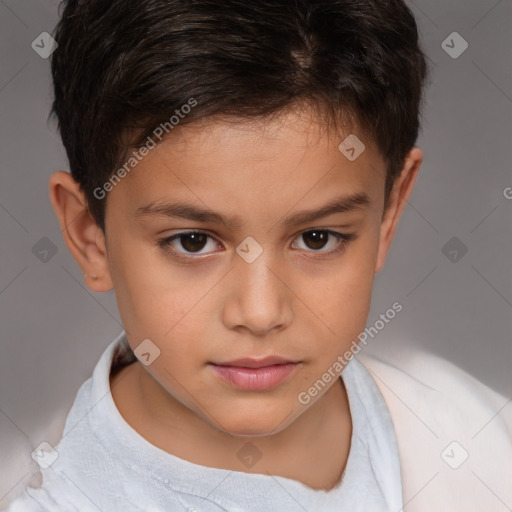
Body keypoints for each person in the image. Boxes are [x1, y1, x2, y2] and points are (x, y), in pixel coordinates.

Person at [3, 0, 511, 510]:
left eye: (317, 238)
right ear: (90, 235)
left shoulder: (479, 440)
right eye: (193, 241)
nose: (261, 312)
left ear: (388, 214)